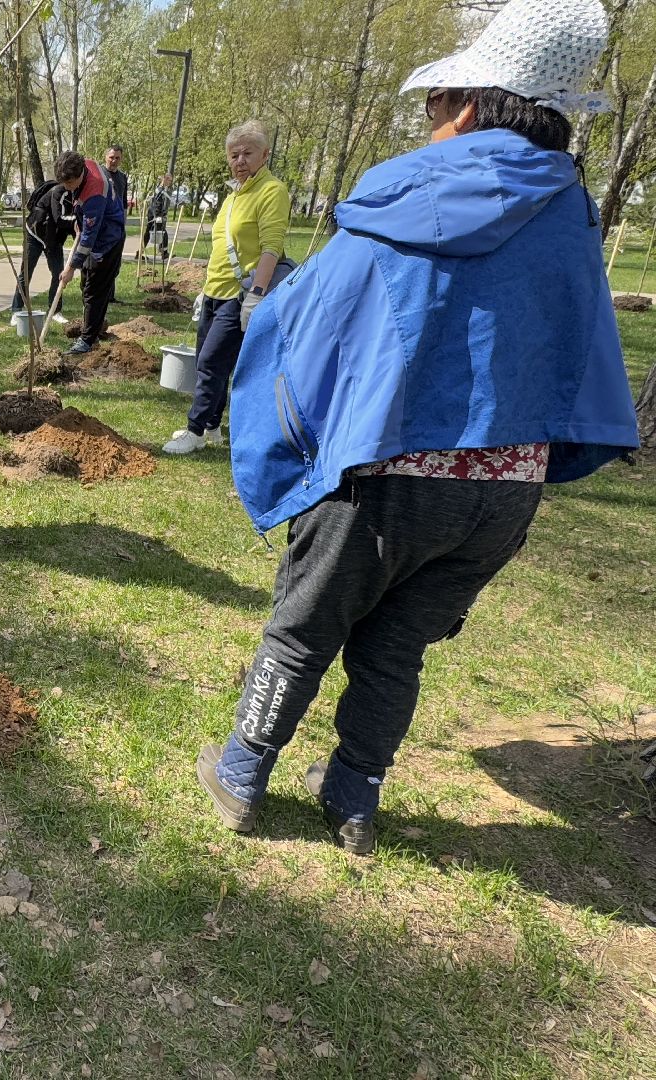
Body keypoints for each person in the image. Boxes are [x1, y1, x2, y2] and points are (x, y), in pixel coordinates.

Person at [197, 0, 638, 856]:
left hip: (387, 475)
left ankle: (242, 774)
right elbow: (575, 349)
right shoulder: (572, 213)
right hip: (504, 492)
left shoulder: (413, 197)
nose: (430, 118)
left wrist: (281, 405)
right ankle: (352, 802)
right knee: (398, 647)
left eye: (437, 102)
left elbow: (314, 319)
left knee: (303, 629)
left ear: (468, 108)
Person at [163, 121, 290, 455]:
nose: (240, 160)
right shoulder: (233, 196)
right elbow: (222, 247)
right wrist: (204, 290)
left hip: (241, 293)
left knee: (210, 362)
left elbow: (271, 248)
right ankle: (212, 425)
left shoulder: (271, 191)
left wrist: (256, 295)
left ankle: (194, 431)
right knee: (211, 362)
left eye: (248, 153)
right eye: (234, 155)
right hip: (214, 292)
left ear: (265, 154)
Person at [55, 150, 126, 356]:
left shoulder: (95, 193)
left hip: (107, 241)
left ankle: (88, 340)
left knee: (95, 291)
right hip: (97, 233)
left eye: (69, 183)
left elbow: (88, 239)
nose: (67, 188)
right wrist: (80, 218)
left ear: (80, 174)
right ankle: (94, 325)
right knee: (86, 286)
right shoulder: (83, 165)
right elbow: (82, 209)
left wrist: (70, 268)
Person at [10, 177, 77, 323]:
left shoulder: (79, 194)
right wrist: (76, 222)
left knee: (59, 273)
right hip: (35, 233)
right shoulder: (58, 191)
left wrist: (79, 234)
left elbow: (75, 223)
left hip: (54, 240)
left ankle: (55, 311)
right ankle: (16, 310)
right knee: (26, 272)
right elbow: (59, 218)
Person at [101, 144, 129, 304]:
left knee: (114, 262)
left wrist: (123, 224)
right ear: (106, 157)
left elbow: (124, 203)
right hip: (103, 225)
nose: (114, 161)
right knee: (100, 262)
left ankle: (110, 296)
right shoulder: (99, 174)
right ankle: (96, 294)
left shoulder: (122, 177)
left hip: (117, 227)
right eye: (111, 157)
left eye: (117, 158)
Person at [141, 174, 174, 261]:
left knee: (149, 233)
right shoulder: (159, 190)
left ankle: (140, 252)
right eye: (169, 180)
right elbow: (156, 204)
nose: (170, 182)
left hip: (153, 213)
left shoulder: (161, 189)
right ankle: (164, 252)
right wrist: (158, 216)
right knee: (162, 232)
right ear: (165, 179)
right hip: (154, 214)